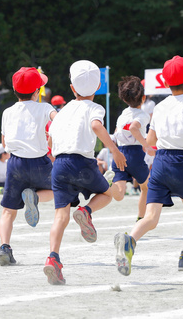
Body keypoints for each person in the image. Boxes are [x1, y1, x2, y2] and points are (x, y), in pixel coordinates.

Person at [114, 55, 183, 277]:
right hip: (181, 161)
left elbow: (150, 142)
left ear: (166, 84)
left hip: (160, 163)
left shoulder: (158, 107)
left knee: (151, 217)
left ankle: (130, 240)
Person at [47, 60, 126, 285]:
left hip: (59, 165)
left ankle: (53, 258)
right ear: (98, 87)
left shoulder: (61, 112)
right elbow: (95, 126)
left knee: (59, 216)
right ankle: (86, 211)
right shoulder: (95, 108)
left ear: (72, 88)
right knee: (106, 194)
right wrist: (114, 151)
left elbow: (50, 140)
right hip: (82, 163)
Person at [0, 67, 57, 267]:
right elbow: (57, 122)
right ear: (37, 91)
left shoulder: (7, 112)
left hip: (15, 163)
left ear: (15, 91)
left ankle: (4, 247)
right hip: (40, 161)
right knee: (59, 190)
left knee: (8, 211)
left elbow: (5, 142)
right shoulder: (45, 107)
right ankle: (36, 197)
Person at [110, 75, 155, 221]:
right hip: (134, 154)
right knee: (146, 187)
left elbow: (117, 133)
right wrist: (146, 145)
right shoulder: (143, 115)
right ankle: (141, 218)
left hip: (119, 152)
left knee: (120, 193)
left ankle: (106, 184)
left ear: (124, 99)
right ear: (143, 98)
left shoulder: (123, 113)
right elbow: (135, 127)